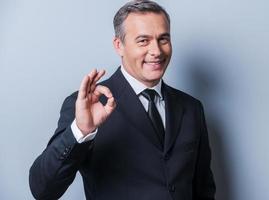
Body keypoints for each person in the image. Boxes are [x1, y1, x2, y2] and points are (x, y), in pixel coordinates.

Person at [29, 0, 216, 199]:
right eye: (143, 41)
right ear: (119, 45)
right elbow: (43, 190)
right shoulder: (88, 105)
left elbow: (203, 188)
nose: (157, 51)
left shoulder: (192, 108)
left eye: (163, 39)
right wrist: (81, 131)